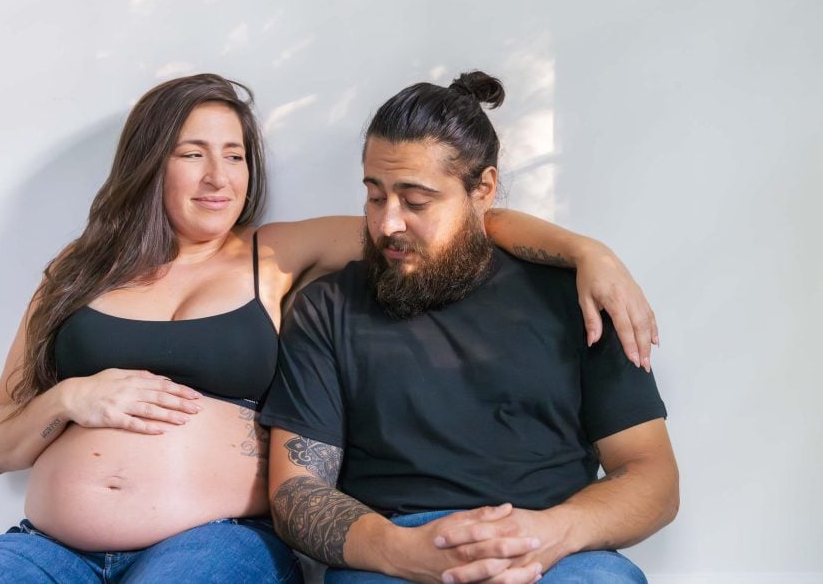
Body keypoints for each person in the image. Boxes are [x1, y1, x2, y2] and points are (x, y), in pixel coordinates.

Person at [0, 73, 659, 583]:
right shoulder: (74, 270)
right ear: (147, 163)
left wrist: (588, 251)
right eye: (191, 153)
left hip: (214, 536)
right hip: (51, 546)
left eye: (234, 155)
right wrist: (69, 399)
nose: (217, 177)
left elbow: (449, 222)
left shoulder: (280, 251)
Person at [262, 71, 679, 584]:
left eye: (416, 201)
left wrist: (554, 533)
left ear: (483, 189)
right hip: (394, 553)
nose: (388, 223)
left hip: (557, 550)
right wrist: (401, 551)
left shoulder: (580, 297)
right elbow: (295, 493)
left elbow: (652, 475)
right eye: (375, 196)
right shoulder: (327, 310)